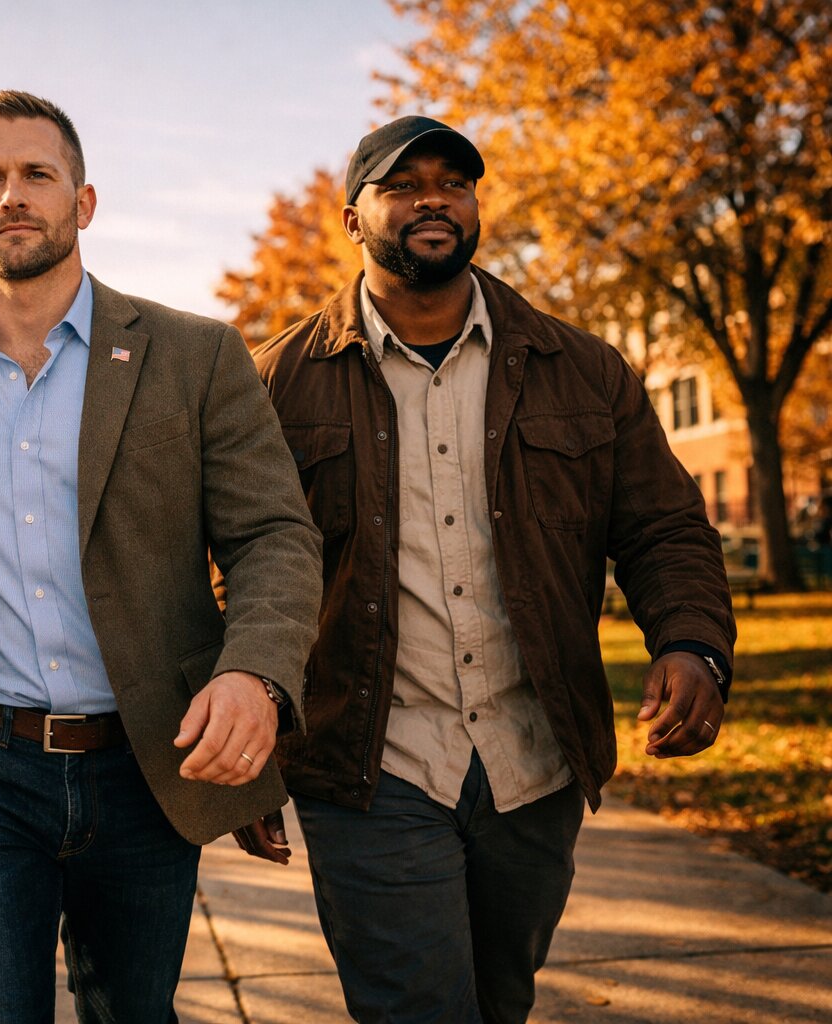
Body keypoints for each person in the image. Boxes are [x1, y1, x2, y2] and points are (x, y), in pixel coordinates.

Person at [248, 116, 738, 1023]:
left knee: (500, 1000)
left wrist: (692, 642)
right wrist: (247, 747)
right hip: (369, 764)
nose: (433, 197)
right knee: (418, 1008)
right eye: (402, 184)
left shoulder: (583, 371)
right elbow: (232, 565)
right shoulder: (277, 382)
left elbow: (665, 527)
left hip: (533, 761)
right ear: (352, 220)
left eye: (454, 181)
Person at [0, 90, 323, 1023]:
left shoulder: (195, 356)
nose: (13, 196)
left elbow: (275, 536)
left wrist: (254, 680)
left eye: (38, 174)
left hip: (146, 765)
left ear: (85, 201)